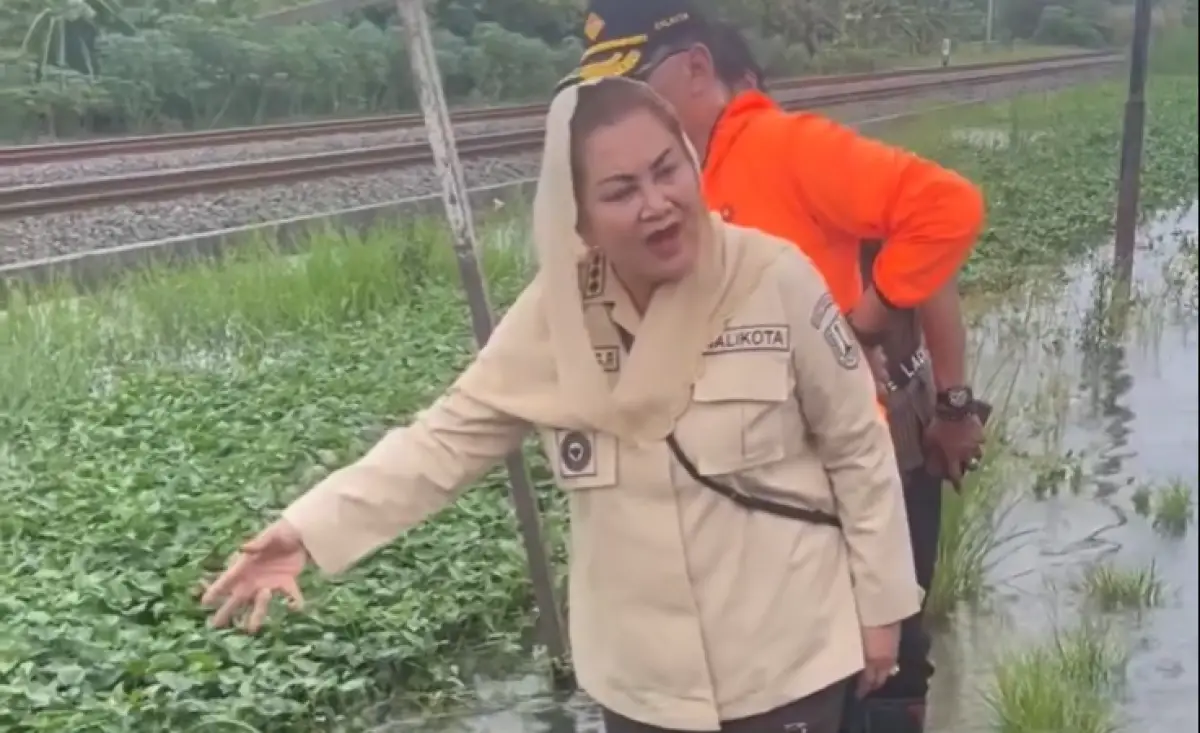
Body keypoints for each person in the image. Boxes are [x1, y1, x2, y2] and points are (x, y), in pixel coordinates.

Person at [200, 77, 923, 733]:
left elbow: (857, 445)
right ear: (579, 218)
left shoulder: (773, 277)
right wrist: (306, 529)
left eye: (667, 169)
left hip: (784, 662)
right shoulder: (557, 317)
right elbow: (442, 441)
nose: (656, 203)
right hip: (644, 686)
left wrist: (882, 609)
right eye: (619, 190)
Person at [559, 3, 989, 732]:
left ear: (698, 68)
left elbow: (943, 211)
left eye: (635, 83)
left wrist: (872, 319)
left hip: (843, 468)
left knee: (876, 669)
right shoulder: (676, 184)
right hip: (759, 491)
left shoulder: (784, 148)